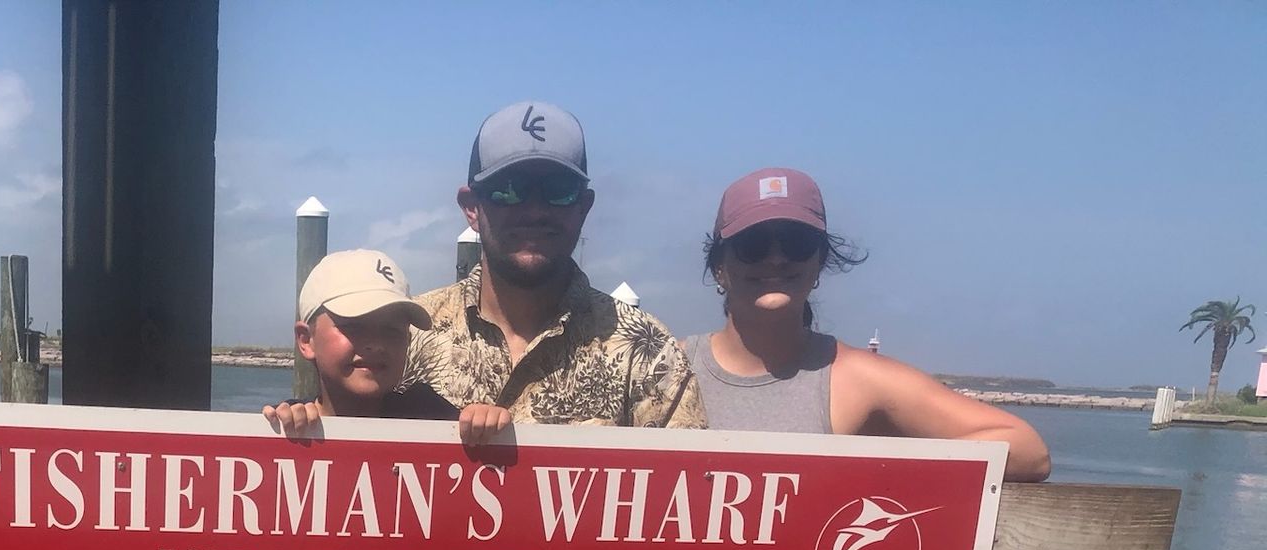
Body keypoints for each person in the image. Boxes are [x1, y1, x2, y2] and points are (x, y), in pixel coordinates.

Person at [686, 167, 1051, 482]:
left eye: (797, 243)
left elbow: (1026, 450)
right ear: (719, 265)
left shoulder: (858, 378)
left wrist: (867, 470)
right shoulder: (662, 369)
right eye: (753, 245)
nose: (777, 258)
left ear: (819, 263)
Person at [400, 100, 705, 432]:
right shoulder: (406, 334)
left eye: (557, 191)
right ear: (471, 207)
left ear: (583, 207)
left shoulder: (647, 352)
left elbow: (687, 476)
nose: (534, 211)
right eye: (508, 190)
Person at [263, 248, 513, 440]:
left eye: (392, 330)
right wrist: (283, 425)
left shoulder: (430, 414)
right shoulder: (288, 425)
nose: (376, 343)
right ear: (306, 340)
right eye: (354, 325)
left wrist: (483, 423)